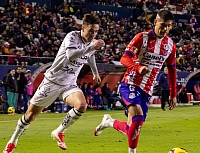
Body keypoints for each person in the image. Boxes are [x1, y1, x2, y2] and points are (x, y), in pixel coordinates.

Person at [3, 13, 105, 153]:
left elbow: (90, 56)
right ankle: (13, 141)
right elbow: (71, 55)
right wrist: (92, 47)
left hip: (69, 84)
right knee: (30, 116)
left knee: (81, 105)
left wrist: (95, 72)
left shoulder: (89, 43)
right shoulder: (72, 37)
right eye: (91, 31)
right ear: (83, 27)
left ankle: (58, 132)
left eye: (96, 31)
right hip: (52, 82)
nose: (93, 34)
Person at [94, 10, 177, 153]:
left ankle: (109, 122)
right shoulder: (142, 38)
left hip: (147, 89)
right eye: (163, 25)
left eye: (169, 26)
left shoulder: (170, 45)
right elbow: (124, 58)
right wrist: (138, 67)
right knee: (137, 115)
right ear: (155, 22)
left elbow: (172, 70)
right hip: (130, 83)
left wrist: (173, 93)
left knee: (132, 128)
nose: (165, 29)